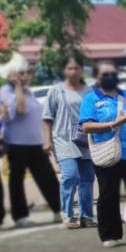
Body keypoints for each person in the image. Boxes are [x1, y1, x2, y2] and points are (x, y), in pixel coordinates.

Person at [80, 62, 126, 248]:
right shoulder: (91, 99)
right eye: (105, 74)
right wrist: (113, 124)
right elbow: (86, 126)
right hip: (107, 155)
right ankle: (109, 235)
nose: (110, 77)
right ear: (97, 77)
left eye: (113, 73)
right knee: (108, 196)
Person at [1, 62, 62, 226]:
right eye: (22, 73)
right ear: (11, 76)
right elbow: (21, 110)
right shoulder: (5, 92)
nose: (27, 76)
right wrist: (18, 86)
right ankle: (20, 217)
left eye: (28, 73)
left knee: (48, 177)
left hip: (35, 143)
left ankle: (59, 210)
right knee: (17, 180)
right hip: (16, 144)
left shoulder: (29, 92)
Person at [43, 54, 95, 228]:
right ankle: (67, 213)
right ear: (64, 70)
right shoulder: (56, 91)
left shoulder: (89, 91)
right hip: (63, 139)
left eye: (76, 68)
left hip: (86, 140)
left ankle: (87, 215)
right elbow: (47, 118)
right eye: (69, 68)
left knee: (87, 179)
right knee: (70, 176)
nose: (73, 71)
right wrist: (47, 140)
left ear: (82, 70)